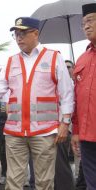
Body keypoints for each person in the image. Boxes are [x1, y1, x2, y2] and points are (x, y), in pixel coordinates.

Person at [0, 17, 74, 190]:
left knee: (44, 182)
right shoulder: (11, 61)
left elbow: (67, 93)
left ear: (35, 33)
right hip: (15, 132)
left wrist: (65, 123)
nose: (19, 38)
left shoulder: (54, 57)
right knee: (13, 181)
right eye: (16, 34)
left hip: (44, 131)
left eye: (23, 33)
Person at [71, 3, 96, 190]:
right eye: (83, 23)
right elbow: (76, 100)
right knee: (91, 184)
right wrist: (76, 131)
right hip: (87, 138)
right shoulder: (81, 59)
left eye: (90, 20)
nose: (86, 26)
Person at [53, 59, 75, 190]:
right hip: (52, 127)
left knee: (61, 165)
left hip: (65, 127)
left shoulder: (72, 84)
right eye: (64, 67)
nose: (66, 69)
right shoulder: (57, 83)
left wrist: (65, 125)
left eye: (68, 67)